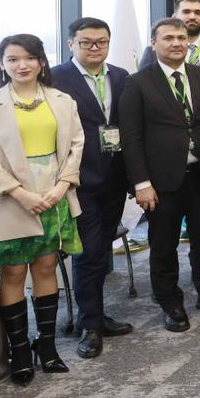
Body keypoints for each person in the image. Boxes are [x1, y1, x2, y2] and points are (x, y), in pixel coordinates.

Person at [0, 34, 84, 384]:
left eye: (30, 58)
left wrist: (62, 187)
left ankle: (46, 346)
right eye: (13, 59)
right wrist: (21, 194)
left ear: (41, 62)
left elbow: (75, 146)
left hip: (54, 195)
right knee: (15, 273)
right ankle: (19, 351)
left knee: (47, 267)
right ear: (2, 64)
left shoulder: (62, 101)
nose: (22, 65)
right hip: (9, 200)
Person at [120, 18, 200, 332]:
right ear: (154, 43)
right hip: (161, 181)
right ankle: (170, 301)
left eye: (181, 38)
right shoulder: (137, 83)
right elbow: (131, 137)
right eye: (168, 38)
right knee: (164, 245)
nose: (176, 43)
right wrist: (141, 183)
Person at [49, 18, 133, 359]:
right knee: (88, 252)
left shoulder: (121, 77)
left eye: (101, 42)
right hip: (78, 179)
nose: (95, 47)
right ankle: (90, 326)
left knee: (100, 251)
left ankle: (96, 315)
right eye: (86, 42)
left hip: (115, 177)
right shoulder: (56, 79)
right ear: (71, 44)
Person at [139, 0, 200, 72]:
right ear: (174, 17)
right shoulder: (153, 52)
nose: (192, 17)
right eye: (186, 12)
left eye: (198, 13)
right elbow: (143, 82)